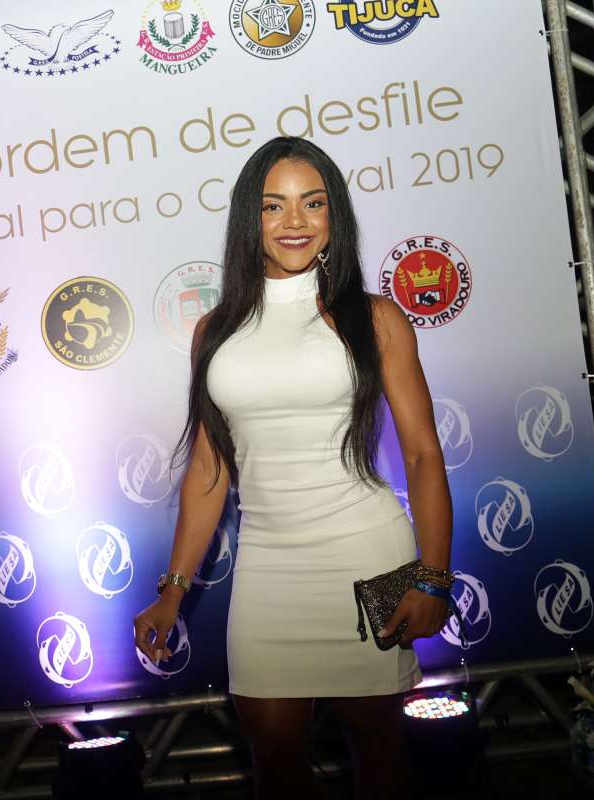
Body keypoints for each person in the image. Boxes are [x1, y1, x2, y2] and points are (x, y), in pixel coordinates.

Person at [133, 136, 454, 799]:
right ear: (251, 220)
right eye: (274, 206)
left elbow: (422, 455)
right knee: (273, 758)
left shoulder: (377, 318)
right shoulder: (215, 330)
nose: (295, 222)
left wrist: (433, 575)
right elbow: (208, 466)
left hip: (369, 559)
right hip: (268, 567)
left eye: (313, 203)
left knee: (380, 753)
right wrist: (173, 588)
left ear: (335, 215)